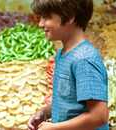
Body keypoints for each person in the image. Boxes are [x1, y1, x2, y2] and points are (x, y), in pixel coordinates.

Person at [28, 0, 109, 130]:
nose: (40, 24)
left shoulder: (84, 59)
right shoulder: (63, 54)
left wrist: (55, 128)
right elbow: (69, 102)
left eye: (46, 17)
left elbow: (99, 116)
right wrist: (45, 112)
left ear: (70, 16)